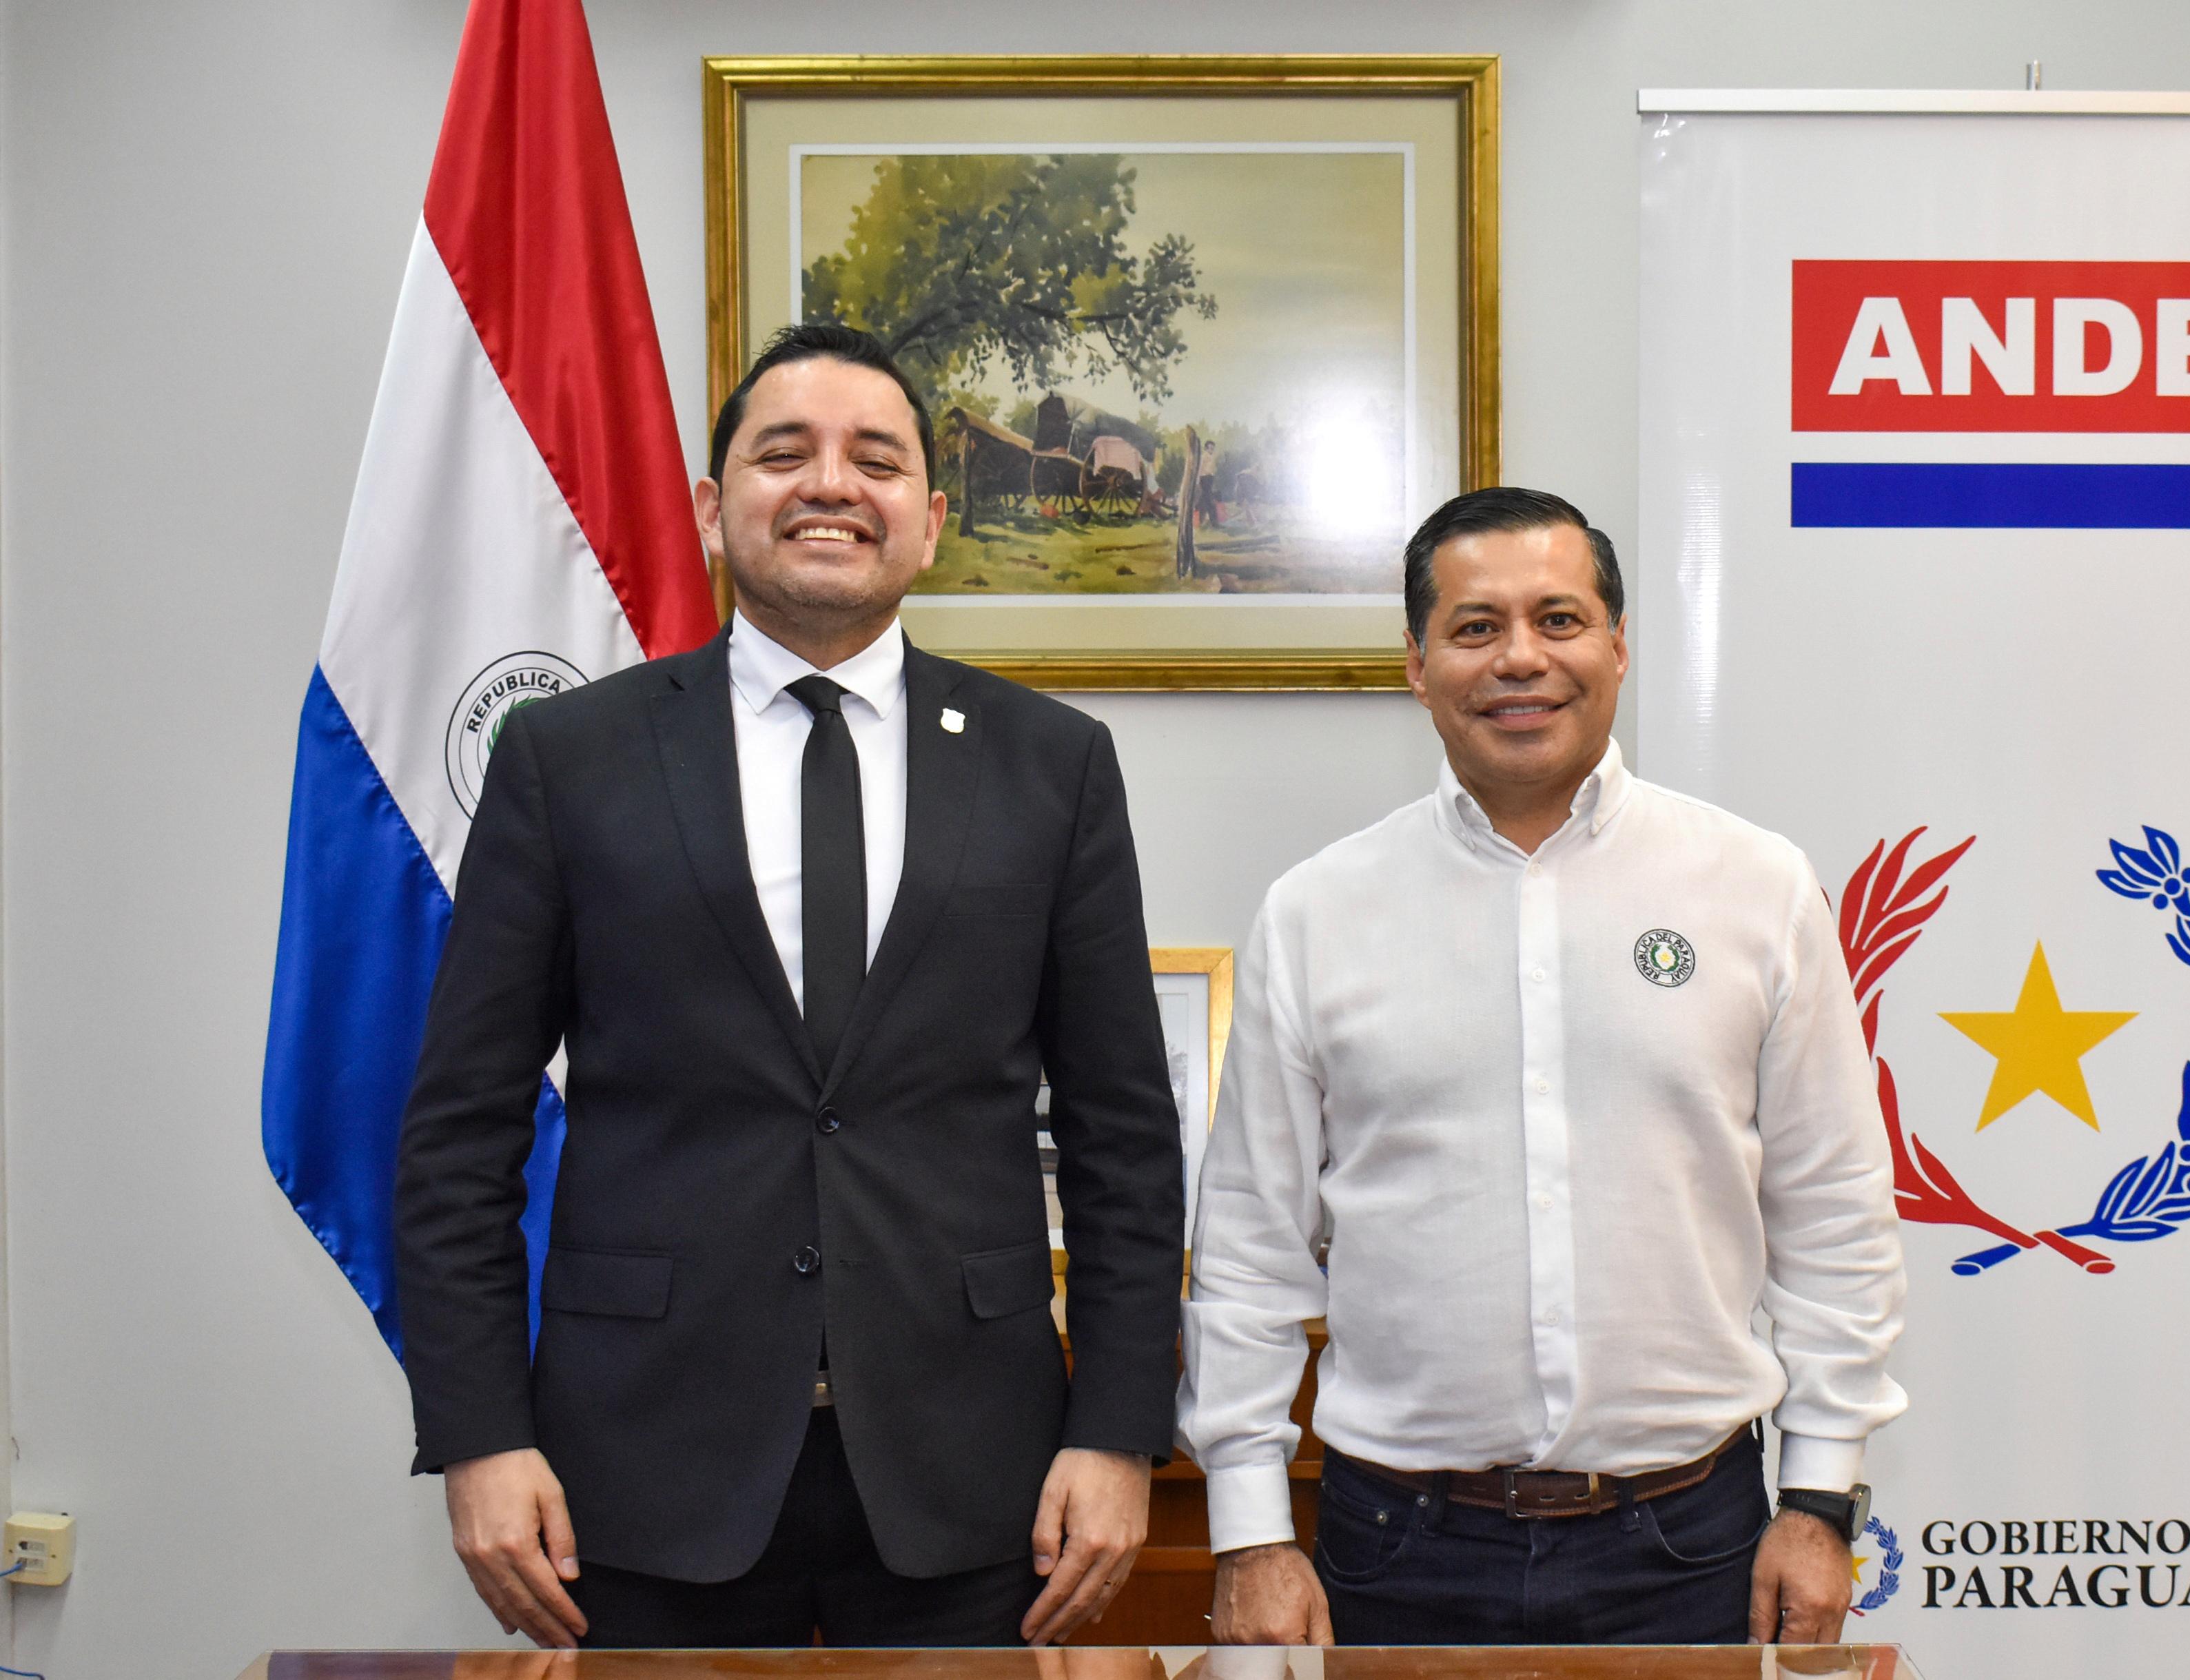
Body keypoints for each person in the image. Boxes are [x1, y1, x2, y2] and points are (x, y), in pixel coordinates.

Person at [396, 322, 1183, 1650]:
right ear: (714, 510)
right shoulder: (565, 759)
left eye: (875, 459)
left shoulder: (1053, 765)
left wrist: (1115, 1430)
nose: (830, 483)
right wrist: (478, 1433)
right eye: (784, 453)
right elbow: (458, 1131)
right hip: (639, 1468)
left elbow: (1123, 1135)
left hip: (976, 1475)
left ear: (930, 522)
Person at [1178, 486, 1907, 1646]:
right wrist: (1251, 1531)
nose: (1520, 657)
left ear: (1617, 645)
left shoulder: (1757, 887)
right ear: (1416, 664)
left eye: (1557, 619)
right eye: (1475, 627)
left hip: (1690, 1543)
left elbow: (1832, 1211)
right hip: (1398, 1547)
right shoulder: (1317, 912)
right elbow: (1249, 1252)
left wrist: (1819, 1499)